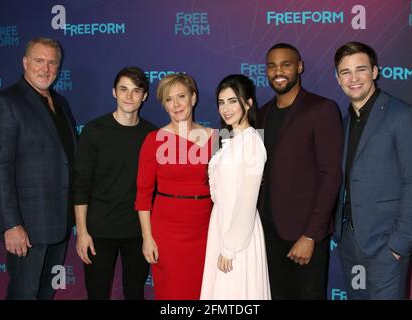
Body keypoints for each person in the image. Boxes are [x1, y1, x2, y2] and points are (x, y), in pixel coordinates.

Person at [333, 41, 412, 300]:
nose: (353, 78)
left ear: (375, 72)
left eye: (361, 69)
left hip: (385, 248)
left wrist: (398, 246)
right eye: (345, 72)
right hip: (350, 244)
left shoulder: (404, 115)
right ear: (337, 78)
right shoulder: (344, 123)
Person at [0, 37, 77, 299]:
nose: (45, 68)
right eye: (39, 61)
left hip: (59, 222)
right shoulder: (5, 102)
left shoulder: (60, 103)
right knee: (23, 294)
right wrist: (11, 224)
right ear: (25, 62)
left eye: (52, 63)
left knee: (45, 292)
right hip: (26, 226)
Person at [257, 43, 343, 299]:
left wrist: (310, 235)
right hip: (268, 233)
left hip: (305, 235)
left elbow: (330, 176)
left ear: (299, 67)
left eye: (286, 64)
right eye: (271, 66)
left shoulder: (322, 109)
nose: (278, 71)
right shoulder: (261, 114)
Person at [73, 67, 156, 300]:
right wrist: (82, 232)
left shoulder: (152, 134)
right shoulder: (94, 130)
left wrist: (150, 234)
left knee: (135, 293)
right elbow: (81, 184)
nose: (129, 96)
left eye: (136, 91)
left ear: (145, 96)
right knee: (97, 294)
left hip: (137, 231)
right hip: (99, 230)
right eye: (123, 89)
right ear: (114, 92)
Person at [135, 73, 214, 300]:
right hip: (167, 232)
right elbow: (143, 195)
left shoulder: (215, 138)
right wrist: (147, 237)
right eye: (169, 99)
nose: (176, 104)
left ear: (194, 98)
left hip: (206, 230)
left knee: (204, 292)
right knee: (173, 292)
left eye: (181, 96)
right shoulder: (154, 139)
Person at [200, 74, 270, 299]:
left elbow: (247, 201)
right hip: (221, 226)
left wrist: (230, 247)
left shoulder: (252, 143)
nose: (226, 108)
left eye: (233, 101)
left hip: (240, 235)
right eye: (221, 102)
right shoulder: (230, 141)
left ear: (248, 103)